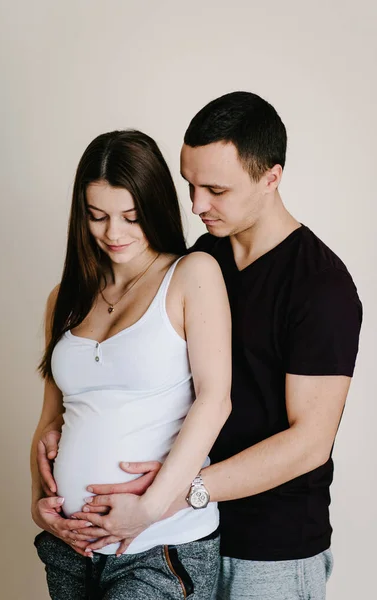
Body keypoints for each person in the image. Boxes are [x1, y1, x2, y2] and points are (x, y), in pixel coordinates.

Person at [38, 93, 362, 600]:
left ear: (271, 177)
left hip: (269, 547)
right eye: (190, 185)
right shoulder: (201, 256)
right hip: (185, 531)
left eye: (215, 189)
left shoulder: (320, 286)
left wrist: (180, 492)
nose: (196, 206)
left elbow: (310, 443)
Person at [30, 129, 232, 599]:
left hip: (158, 545)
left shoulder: (191, 274)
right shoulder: (63, 300)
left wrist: (149, 509)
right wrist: (39, 507)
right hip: (70, 547)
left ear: (154, 206)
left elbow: (215, 400)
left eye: (130, 216)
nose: (113, 233)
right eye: (97, 216)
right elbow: (49, 420)